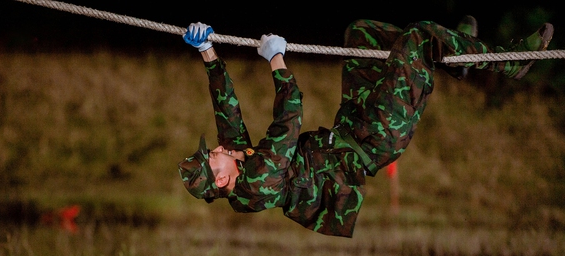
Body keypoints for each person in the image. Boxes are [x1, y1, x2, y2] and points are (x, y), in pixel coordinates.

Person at [178, 18, 554, 238]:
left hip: (349, 128)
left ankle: (455, 58)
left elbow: (227, 117)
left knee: (362, 35)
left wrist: (207, 52)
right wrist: (276, 58)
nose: (216, 150)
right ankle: (511, 63)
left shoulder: (237, 169)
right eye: (212, 158)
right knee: (419, 37)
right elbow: (290, 116)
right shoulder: (258, 180)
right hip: (376, 137)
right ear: (222, 181)